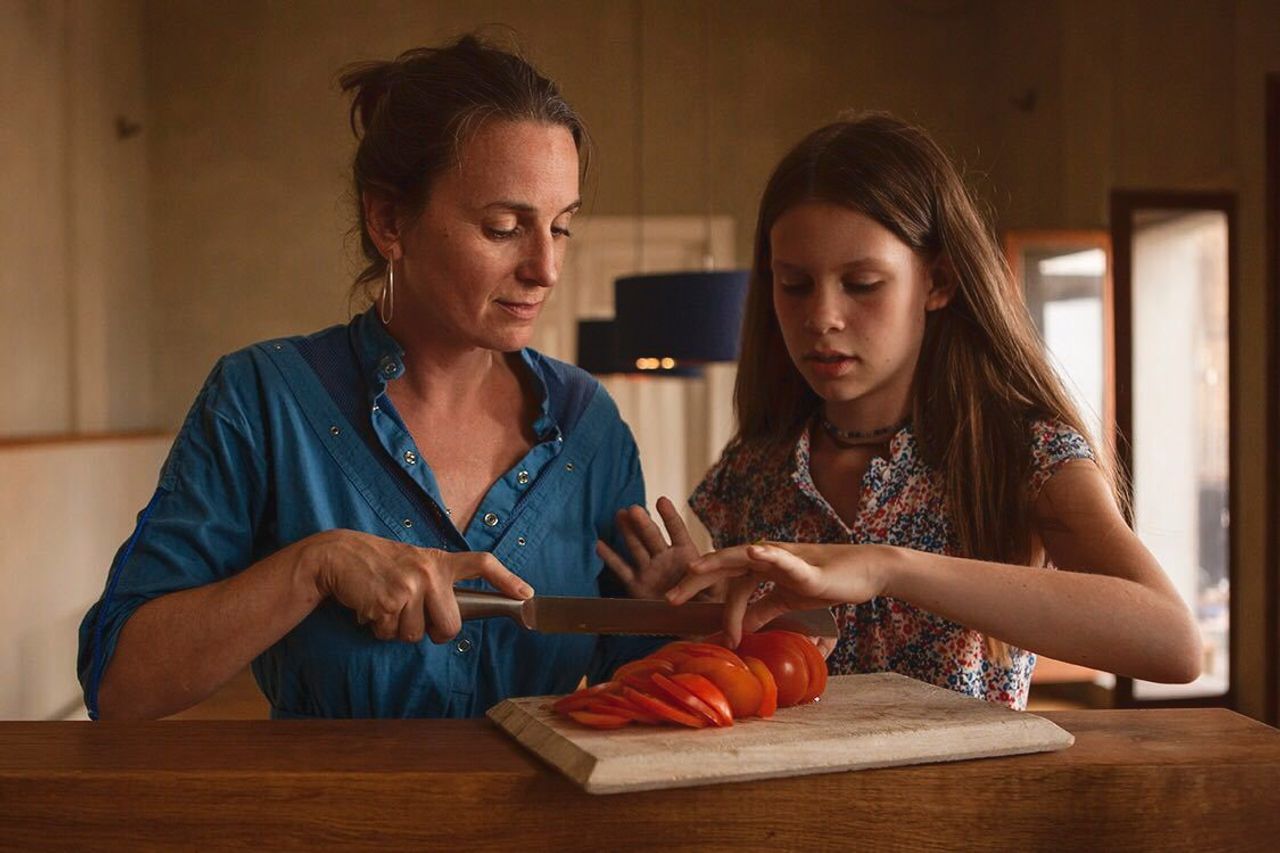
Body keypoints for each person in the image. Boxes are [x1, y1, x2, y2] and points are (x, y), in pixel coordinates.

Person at [77, 35, 658, 720]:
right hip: (332, 826)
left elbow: (640, 693)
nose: (545, 268)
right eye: (504, 227)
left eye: (560, 228)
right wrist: (312, 565)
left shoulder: (591, 429)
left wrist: (674, 616)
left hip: (547, 831)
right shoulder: (263, 401)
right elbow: (120, 683)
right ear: (389, 220)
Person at [602, 113, 1202, 710]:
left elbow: (1172, 644)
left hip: (967, 804)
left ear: (938, 281)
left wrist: (888, 567)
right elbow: (755, 686)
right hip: (786, 804)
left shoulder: (1020, 452)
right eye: (795, 284)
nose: (822, 318)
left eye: (861, 284)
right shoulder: (754, 466)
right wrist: (687, 619)